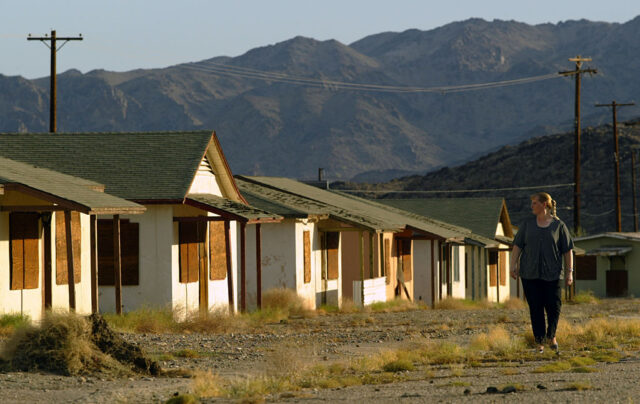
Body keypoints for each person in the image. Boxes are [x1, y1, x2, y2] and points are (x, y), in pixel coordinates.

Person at [510, 192, 574, 354]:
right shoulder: (527, 224)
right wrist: (513, 265)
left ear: (544, 205)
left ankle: (551, 336)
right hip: (530, 274)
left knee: (554, 306)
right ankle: (539, 343)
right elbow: (517, 246)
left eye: (534, 203)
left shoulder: (558, 226)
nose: (531, 206)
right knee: (536, 308)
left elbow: (567, 251)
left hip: (552, 274)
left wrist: (569, 272)